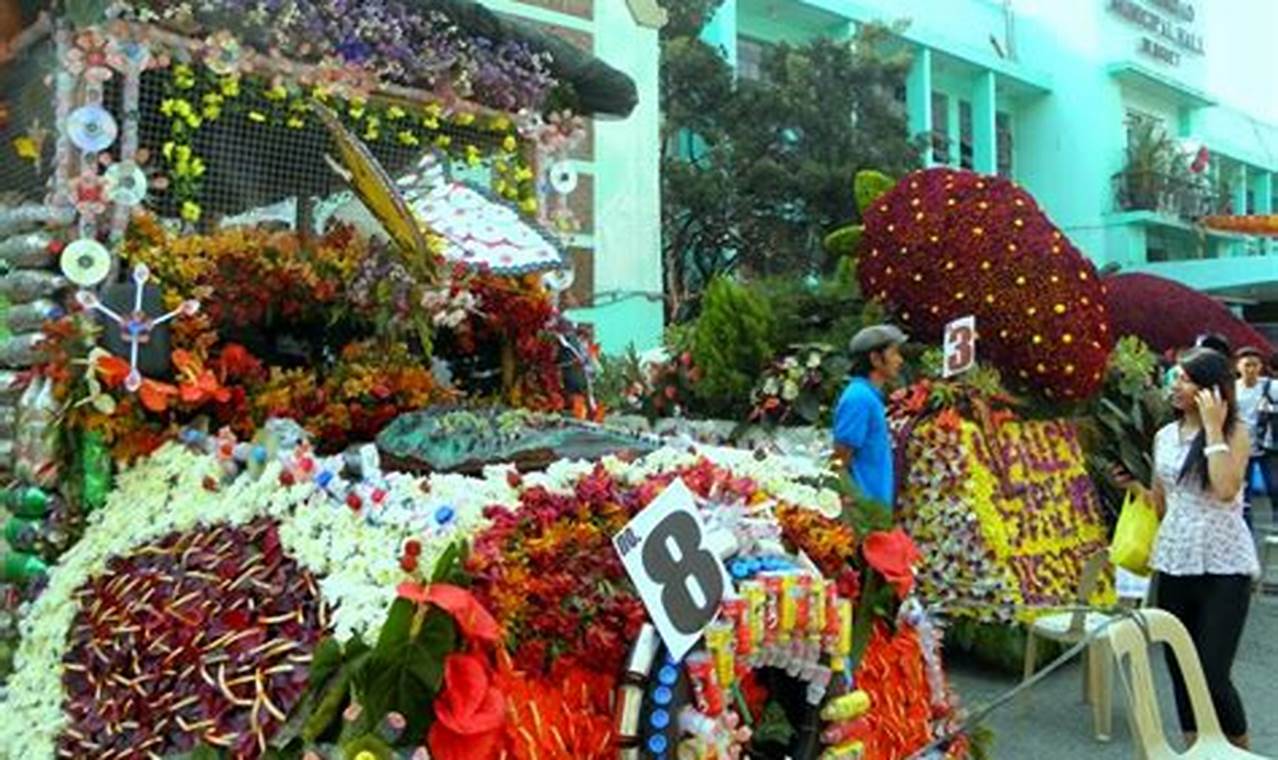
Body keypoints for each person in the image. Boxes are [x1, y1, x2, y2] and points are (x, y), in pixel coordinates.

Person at [1120, 348, 1259, 750]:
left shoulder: (1235, 432)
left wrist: (1213, 430)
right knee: (1180, 667)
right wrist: (1133, 488)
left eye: (1185, 379)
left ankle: (1238, 751)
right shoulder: (1165, 435)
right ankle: (1195, 749)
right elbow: (1164, 502)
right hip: (1175, 560)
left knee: (1212, 673)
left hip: (1224, 565)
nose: (1175, 387)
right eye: (1174, 378)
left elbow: (1226, 488)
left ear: (1212, 389)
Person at [832, 324, 906, 509]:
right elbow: (841, 456)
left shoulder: (870, 396)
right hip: (864, 511)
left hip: (875, 508)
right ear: (875, 359)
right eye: (894, 353)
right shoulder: (859, 398)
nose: (900, 360)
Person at [1235, 346, 1276, 530]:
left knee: (1274, 488)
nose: (1250, 369)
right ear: (1238, 366)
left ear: (1261, 367)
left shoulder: (1271, 387)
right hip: (1242, 449)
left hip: (1268, 447)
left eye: (1255, 365)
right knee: (1244, 495)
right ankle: (1247, 532)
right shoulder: (1232, 389)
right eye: (1247, 365)